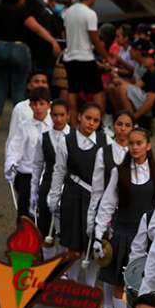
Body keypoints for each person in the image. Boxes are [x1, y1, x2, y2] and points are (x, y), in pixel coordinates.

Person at [94, 128, 155, 308]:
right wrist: (98, 234)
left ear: (148, 145)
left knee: (147, 282)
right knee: (121, 282)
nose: (134, 147)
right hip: (123, 233)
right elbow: (107, 204)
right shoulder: (119, 172)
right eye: (131, 143)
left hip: (148, 236)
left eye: (139, 143)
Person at [0, 0, 61, 131]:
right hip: (19, 50)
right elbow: (37, 28)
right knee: (18, 87)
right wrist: (53, 41)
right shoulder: (22, 11)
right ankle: (20, 122)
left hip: (0, 48)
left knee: (0, 86)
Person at [85, 111, 133, 308]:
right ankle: (106, 304)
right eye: (119, 124)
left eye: (127, 125)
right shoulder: (103, 152)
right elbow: (97, 188)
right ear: (114, 127)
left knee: (126, 260)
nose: (123, 128)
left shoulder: (138, 152)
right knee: (107, 257)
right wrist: (93, 219)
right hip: (107, 210)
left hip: (128, 213)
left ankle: (123, 303)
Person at [47, 102, 108, 264]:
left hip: (95, 198)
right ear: (79, 117)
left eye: (96, 120)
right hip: (72, 196)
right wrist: (54, 197)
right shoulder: (66, 141)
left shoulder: (104, 140)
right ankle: (71, 283)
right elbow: (59, 171)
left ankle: (89, 287)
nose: (91, 123)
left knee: (92, 249)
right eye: (88, 118)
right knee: (73, 249)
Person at [62, 0, 110, 121]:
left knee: (73, 91)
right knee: (98, 91)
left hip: (70, 57)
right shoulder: (90, 14)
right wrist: (107, 57)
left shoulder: (68, 12)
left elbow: (65, 33)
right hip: (85, 58)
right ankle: (98, 124)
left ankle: (72, 124)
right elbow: (95, 38)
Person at [4, 87, 52, 219]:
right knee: (25, 212)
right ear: (30, 105)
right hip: (27, 175)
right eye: (34, 104)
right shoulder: (24, 126)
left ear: (48, 105)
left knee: (46, 210)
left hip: (47, 176)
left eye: (41, 104)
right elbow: (14, 149)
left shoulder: (54, 126)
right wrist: (11, 164)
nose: (38, 108)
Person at [31, 98, 70, 259]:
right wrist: (34, 191)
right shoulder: (44, 137)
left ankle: (62, 270)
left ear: (68, 115)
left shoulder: (74, 136)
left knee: (64, 231)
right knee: (47, 229)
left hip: (68, 187)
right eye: (55, 115)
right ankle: (48, 266)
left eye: (62, 115)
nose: (58, 119)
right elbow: (37, 165)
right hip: (47, 185)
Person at [113, 45, 155, 120]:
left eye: (146, 56)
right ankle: (122, 119)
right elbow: (135, 87)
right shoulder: (149, 73)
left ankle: (129, 121)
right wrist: (120, 81)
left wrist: (134, 117)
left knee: (122, 89)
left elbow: (149, 103)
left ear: (153, 60)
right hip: (150, 104)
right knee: (119, 88)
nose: (142, 58)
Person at [4, 71, 50, 139]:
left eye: (43, 82)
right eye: (36, 82)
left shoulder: (55, 107)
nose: (40, 85)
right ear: (29, 85)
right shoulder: (20, 108)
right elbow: (13, 135)